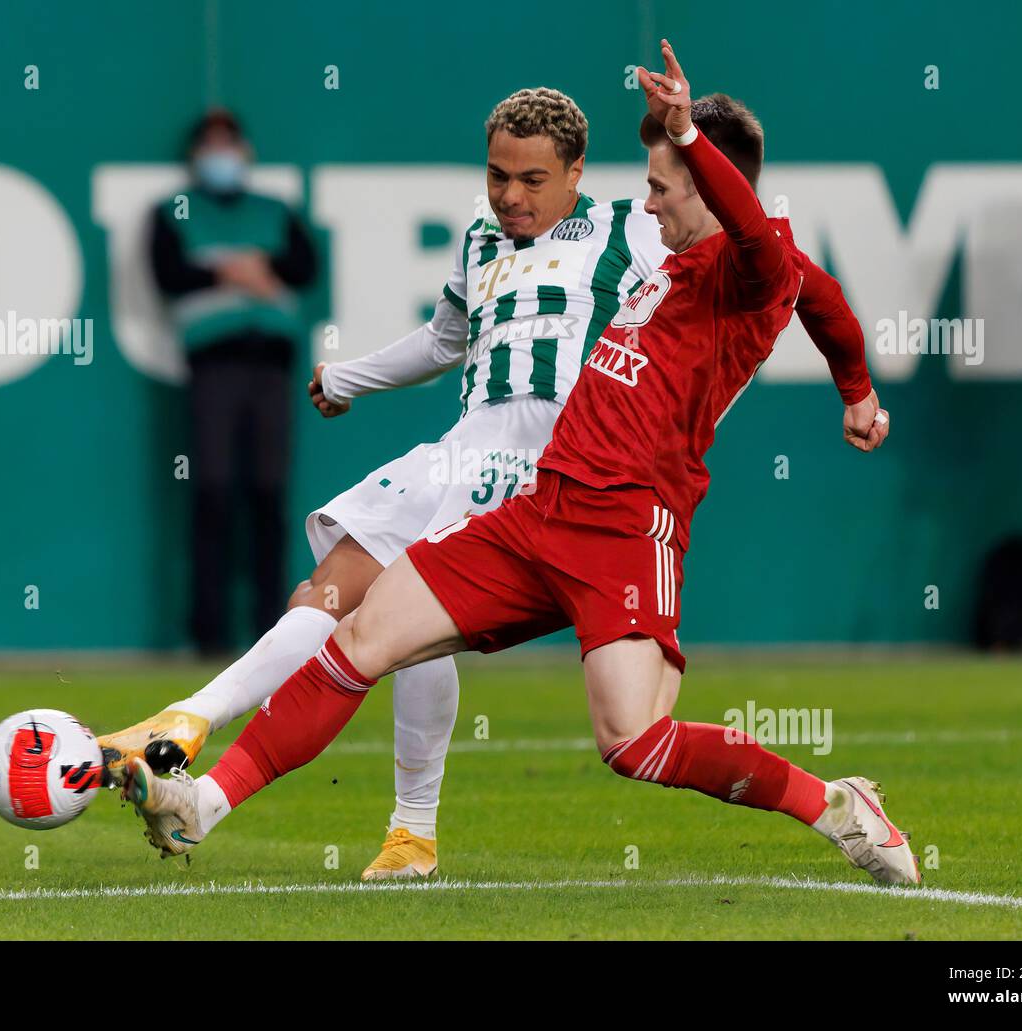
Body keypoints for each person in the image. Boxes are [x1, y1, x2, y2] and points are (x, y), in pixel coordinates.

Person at [125, 40, 919, 887]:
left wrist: (690, 136)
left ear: (709, 178)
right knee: (362, 635)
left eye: (661, 186)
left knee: (634, 742)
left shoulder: (751, 271)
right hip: (541, 508)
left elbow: (777, 255)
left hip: (628, 520)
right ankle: (204, 801)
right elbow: (830, 304)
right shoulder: (679, 254)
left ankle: (834, 805)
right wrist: (857, 391)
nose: (646, 206)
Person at [103, 87, 669, 879]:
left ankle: (381, 817)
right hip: (462, 451)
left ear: (577, 171)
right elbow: (445, 340)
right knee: (324, 598)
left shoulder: (633, 229)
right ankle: (203, 737)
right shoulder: (481, 238)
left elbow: (744, 263)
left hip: (545, 473)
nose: (510, 195)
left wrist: (854, 386)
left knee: (398, 621)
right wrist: (349, 378)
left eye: (533, 180)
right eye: (497, 175)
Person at [150, 109, 318, 655]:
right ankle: (210, 633)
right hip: (214, 364)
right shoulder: (175, 211)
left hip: (271, 363)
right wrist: (230, 271)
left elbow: (305, 266)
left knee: (268, 494)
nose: (221, 154)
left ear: (245, 150)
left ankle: (274, 630)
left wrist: (260, 264)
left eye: (229, 143)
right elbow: (168, 274)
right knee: (214, 491)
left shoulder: (274, 210)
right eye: (210, 145)